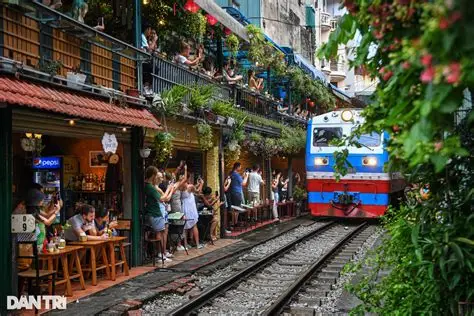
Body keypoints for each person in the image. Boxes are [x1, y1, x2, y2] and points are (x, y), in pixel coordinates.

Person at [143, 166, 174, 262]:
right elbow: (162, 199)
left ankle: (161, 254)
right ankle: (160, 254)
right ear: (153, 175)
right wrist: (169, 189)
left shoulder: (148, 186)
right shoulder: (150, 187)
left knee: (160, 232)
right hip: (155, 213)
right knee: (159, 233)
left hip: (155, 212)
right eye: (156, 175)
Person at [180, 170, 204, 249]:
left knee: (185, 227)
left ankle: (186, 245)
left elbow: (191, 190)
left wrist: (196, 184)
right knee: (194, 225)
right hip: (190, 208)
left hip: (184, 207)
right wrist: (201, 184)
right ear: (188, 178)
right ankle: (197, 244)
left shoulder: (180, 186)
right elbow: (197, 191)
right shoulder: (189, 186)